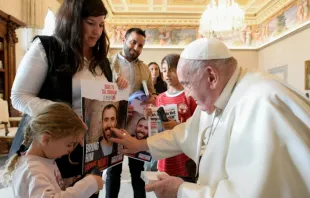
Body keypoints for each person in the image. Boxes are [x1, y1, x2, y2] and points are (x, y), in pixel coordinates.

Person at [110, 38, 310, 198]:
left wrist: (181, 191)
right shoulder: (222, 94)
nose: (187, 94)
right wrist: (141, 144)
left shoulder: (263, 104)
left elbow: (248, 193)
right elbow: (187, 132)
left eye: (187, 84)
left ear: (211, 77)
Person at [9, 0, 128, 181]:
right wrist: (64, 114)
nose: (97, 31)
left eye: (101, 24)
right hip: (52, 150)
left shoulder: (101, 61)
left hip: (88, 156)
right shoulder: (47, 48)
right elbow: (18, 96)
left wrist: (118, 90)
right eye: (90, 23)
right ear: (72, 21)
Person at [1, 103, 104, 197]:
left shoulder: (43, 160)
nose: (71, 150)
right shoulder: (34, 172)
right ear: (46, 139)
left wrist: (68, 182)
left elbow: (49, 185)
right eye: (69, 144)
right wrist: (89, 184)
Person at [107, 27, 156, 198]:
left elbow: (152, 92)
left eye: (140, 45)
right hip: (114, 123)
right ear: (124, 40)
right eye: (133, 42)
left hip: (136, 128)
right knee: (114, 172)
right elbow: (99, 94)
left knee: (137, 173)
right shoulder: (108, 64)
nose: (136, 48)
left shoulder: (144, 69)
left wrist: (151, 99)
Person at [145, 54, 197, 182]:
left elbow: (198, 126)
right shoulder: (160, 98)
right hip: (165, 158)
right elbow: (156, 128)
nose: (167, 74)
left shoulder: (190, 96)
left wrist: (178, 126)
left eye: (172, 70)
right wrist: (149, 116)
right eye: (164, 70)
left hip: (185, 158)